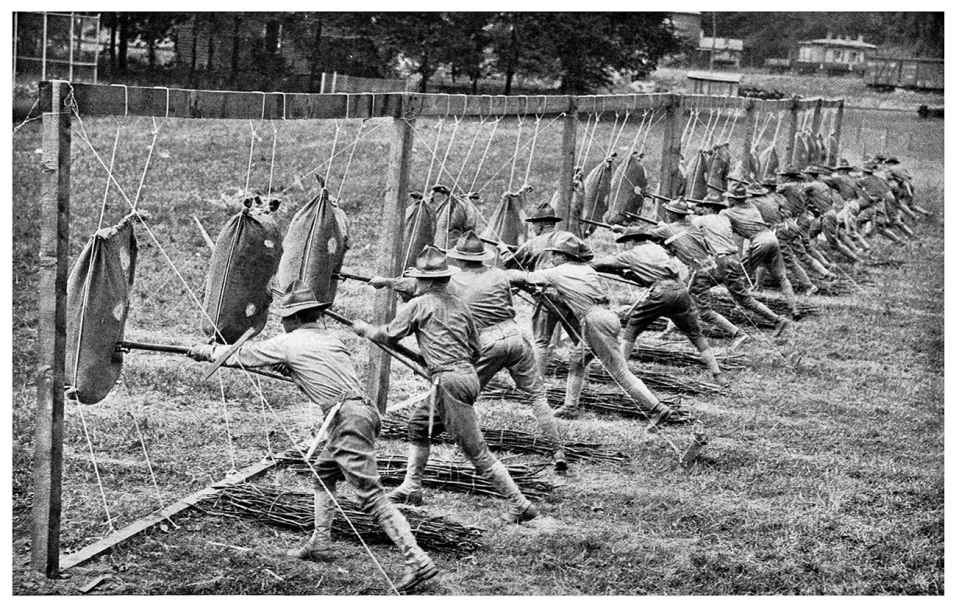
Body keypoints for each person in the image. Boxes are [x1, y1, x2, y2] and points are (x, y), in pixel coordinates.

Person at [188, 282, 437, 593]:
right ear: (315, 315)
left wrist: (205, 351)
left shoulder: (291, 341)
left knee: (371, 496)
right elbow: (310, 368)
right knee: (323, 471)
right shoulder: (330, 341)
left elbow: (245, 355)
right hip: (363, 413)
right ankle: (321, 541)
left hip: (346, 419)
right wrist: (286, 368)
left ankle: (416, 559)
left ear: (292, 318)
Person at [352, 246, 539, 524]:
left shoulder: (419, 304)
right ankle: (412, 488)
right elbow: (476, 349)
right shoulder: (460, 305)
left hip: (450, 382)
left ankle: (520, 504)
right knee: (418, 425)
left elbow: (389, 335)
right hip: (468, 376)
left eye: (417, 279)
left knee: (476, 451)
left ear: (426, 281)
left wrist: (366, 329)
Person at [370, 231, 568, 473]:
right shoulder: (498, 274)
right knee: (537, 397)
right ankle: (558, 450)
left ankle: (438, 432)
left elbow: (417, 285)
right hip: (516, 337)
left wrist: (386, 282)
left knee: (459, 395)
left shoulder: (453, 280)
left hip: (487, 342)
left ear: (460, 259)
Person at [506, 232, 675, 427]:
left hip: (595, 321)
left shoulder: (559, 272)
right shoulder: (586, 270)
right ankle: (570, 406)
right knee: (577, 360)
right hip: (604, 317)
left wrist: (498, 274)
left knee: (619, 371)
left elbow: (524, 277)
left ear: (563, 256)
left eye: (554, 254)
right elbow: (569, 298)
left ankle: (657, 408)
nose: (551, 258)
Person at [590, 225, 729, 386]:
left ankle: (619, 372)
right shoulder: (657, 249)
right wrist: (625, 273)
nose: (624, 246)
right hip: (680, 291)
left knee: (632, 329)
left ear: (632, 241)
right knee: (696, 335)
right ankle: (718, 374)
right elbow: (652, 275)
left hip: (661, 293)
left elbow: (603, 263)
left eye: (625, 242)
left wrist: (585, 266)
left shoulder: (631, 254)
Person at [688, 197, 792, 338]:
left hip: (721, 261)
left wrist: (687, 210)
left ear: (710, 208)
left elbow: (686, 225)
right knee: (741, 298)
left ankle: (773, 322)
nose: (702, 209)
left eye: (704, 206)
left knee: (740, 299)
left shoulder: (702, 220)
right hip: (732, 260)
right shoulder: (724, 220)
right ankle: (777, 320)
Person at [500, 201, 577, 379]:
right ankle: (577, 383)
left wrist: (505, 250)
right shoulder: (569, 238)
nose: (533, 228)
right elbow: (587, 255)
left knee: (541, 342)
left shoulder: (533, 243)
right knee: (579, 341)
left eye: (534, 224)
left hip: (545, 297)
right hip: (571, 294)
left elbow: (512, 263)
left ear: (541, 224)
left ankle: (538, 382)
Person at [719, 182, 800, 317]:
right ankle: (795, 310)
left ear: (732, 199)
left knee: (737, 276)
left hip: (758, 241)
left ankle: (740, 308)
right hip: (772, 238)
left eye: (729, 198)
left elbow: (723, 231)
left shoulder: (726, 213)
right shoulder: (751, 206)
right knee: (782, 277)